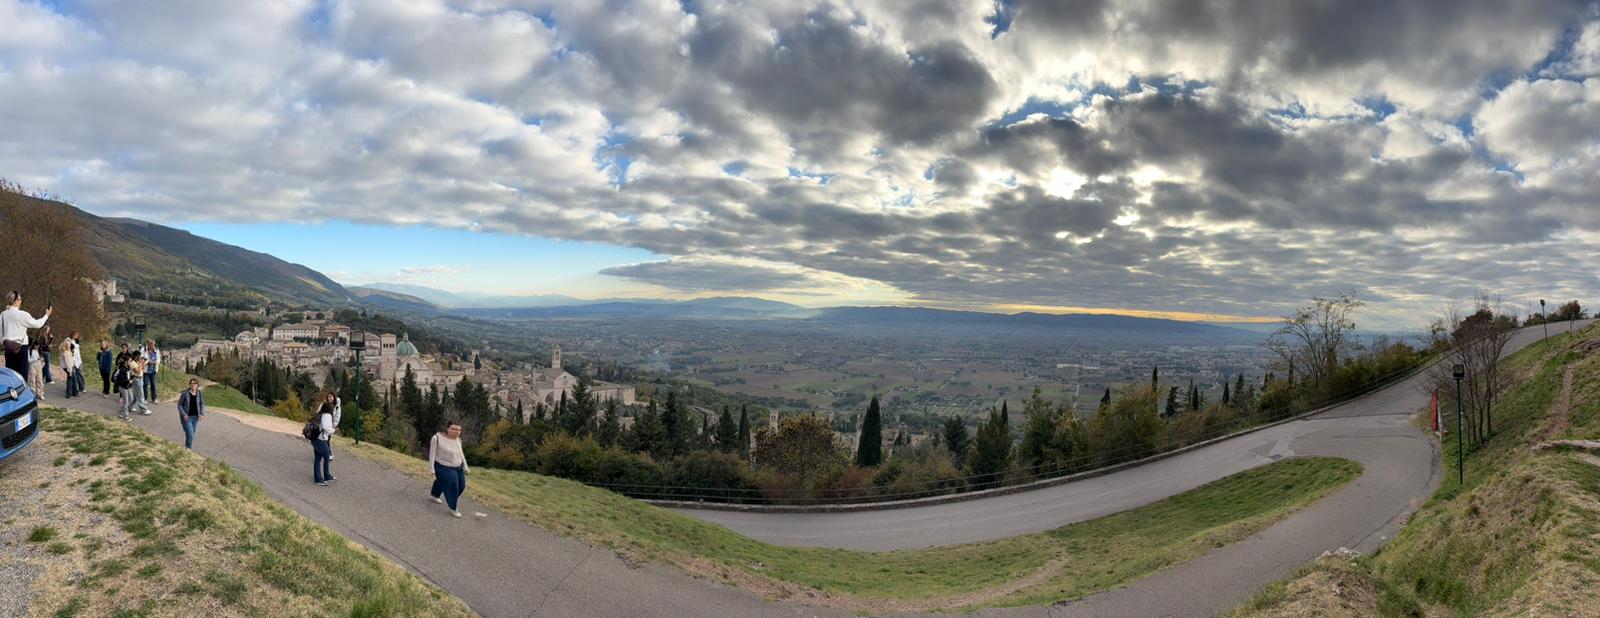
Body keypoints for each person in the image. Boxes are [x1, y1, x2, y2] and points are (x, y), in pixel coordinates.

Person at [0, 290, 50, 377]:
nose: (21, 301)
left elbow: (1, 333)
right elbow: (37, 324)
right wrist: (46, 315)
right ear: (15, 301)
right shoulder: (22, 314)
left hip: (8, 348)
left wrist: (3, 344)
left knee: (10, 375)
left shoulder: (3, 315)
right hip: (21, 347)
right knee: (22, 376)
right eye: (20, 299)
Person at [428, 421, 469, 518]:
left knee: (461, 486)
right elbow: (432, 454)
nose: (456, 431)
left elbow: (461, 454)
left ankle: (434, 495)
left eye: (459, 430)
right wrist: (431, 468)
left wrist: (465, 466)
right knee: (453, 487)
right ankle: (453, 508)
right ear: (447, 429)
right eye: (453, 429)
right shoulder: (437, 438)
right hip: (442, 466)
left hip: (457, 467)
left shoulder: (458, 440)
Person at [311, 400, 336, 486]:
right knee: (327, 457)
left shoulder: (320, 414)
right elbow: (325, 427)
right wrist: (333, 430)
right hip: (321, 439)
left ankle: (318, 479)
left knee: (318, 459)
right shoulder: (327, 415)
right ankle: (327, 476)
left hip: (315, 438)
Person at [177, 378, 205, 449]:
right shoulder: (185, 393)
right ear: (189, 385)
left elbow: (202, 403)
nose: (193, 385)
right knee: (190, 435)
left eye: (194, 383)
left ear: (197, 385)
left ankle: (186, 449)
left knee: (190, 434)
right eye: (191, 383)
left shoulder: (199, 393)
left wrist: (201, 414)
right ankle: (188, 450)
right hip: (187, 418)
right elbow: (179, 405)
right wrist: (184, 415)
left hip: (195, 418)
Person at [112, 355, 136, 421]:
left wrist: (132, 377)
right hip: (123, 387)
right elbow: (121, 379)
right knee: (126, 402)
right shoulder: (122, 369)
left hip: (128, 386)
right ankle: (126, 417)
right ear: (126, 361)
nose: (131, 362)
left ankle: (121, 412)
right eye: (130, 361)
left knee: (131, 399)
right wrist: (128, 381)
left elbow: (128, 376)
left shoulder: (128, 367)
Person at [128, 351, 152, 416]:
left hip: (140, 379)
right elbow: (138, 372)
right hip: (136, 379)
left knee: (136, 396)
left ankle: (129, 407)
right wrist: (141, 364)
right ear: (136, 356)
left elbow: (142, 369)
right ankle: (143, 410)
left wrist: (144, 363)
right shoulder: (132, 363)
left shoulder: (137, 362)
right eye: (139, 356)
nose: (140, 357)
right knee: (140, 395)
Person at [62, 333, 83, 398]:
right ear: (66, 345)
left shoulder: (69, 351)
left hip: (70, 367)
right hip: (69, 368)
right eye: (68, 344)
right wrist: (70, 370)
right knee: (72, 379)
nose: (69, 345)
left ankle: (72, 393)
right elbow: (68, 362)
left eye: (70, 344)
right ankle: (71, 393)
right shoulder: (66, 352)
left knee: (71, 379)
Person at [323, 392, 342, 461]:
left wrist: (334, 426)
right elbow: (319, 412)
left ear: (334, 398)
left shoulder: (337, 407)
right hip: (323, 424)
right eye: (328, 397)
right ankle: (327, 454)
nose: (329, 398)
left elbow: (337, 417)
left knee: (326, 440)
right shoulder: (325, 404)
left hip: (330, 426)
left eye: (330, 397)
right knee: (324, 440)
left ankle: (329, 454)